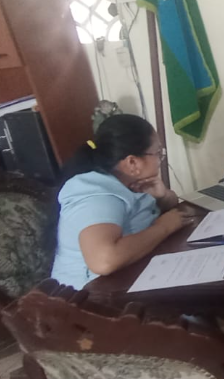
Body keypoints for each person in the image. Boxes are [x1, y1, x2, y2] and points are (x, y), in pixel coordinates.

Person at [52, 115, 191, 289]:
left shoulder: (126, 181)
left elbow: (156, 213)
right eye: (157, 153)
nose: (159, 160)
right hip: (86, 296)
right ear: (132, 162)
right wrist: (164, 227)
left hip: (129, 275)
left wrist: (162, 197)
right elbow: (104, 261)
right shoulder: (97, 194)